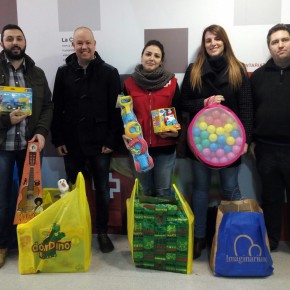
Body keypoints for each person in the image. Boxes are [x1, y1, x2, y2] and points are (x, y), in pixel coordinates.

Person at [180, 24, 253, 259]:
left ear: (224, 41)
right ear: (204, 44)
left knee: (231, 189)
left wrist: (245, 140)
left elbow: (246, 108)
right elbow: (183, 104)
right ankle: (199, 237)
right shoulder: (194, 69)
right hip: (200, 142)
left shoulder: (237, 69)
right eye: (208, 40)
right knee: (200, 191)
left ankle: (239, 236)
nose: (212, 43)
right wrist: (204, 102)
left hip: (230, 145)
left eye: (217, 39)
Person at [51, 27, 121, 253]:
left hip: (101, 143)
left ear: (95, 44)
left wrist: (111, 140)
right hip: (71, 144)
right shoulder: (62, 73)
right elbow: (57, 108)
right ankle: (75, 231)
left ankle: (101, 232)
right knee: (73, 189)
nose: (84, 47)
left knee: (101, 189)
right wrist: (58, 138)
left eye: (88, 43)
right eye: (79, 43)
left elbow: (116, 111)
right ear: (73, 45)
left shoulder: (110, 72)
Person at [0, 24, 53, 268]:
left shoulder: (37, 73)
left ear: (25, 42)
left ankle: (27, 242)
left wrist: (41, 133)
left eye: (19, 38)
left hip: (30, 145)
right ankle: (2, 245)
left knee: (31, 199)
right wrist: (5, 119)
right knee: (1, 198)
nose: (15, 43)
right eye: (9, 39)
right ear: (2, 43)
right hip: (2, 146)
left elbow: (47, 106)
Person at [250, 23, 290, 251]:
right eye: (275, 42)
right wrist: (252, 141)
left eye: (285, 40)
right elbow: (250, 111)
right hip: (266, 149)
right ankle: (271, 242)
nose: (280, 45)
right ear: (269, 47)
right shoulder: (257, 77)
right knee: (271, 200)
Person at [123, 40, 181, 197]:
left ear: (161, 61)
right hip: (139, 149)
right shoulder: (129, 84)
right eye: (148, 54)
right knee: (144, 192)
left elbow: (180, 114)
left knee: (163, 192)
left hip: (165, 149)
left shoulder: (172, 83)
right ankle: (144, 223)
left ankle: (162, 222)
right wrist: (124, 134)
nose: (151, 58)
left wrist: (176, 133)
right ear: (141, 56)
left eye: (156, 56)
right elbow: (123, 114)